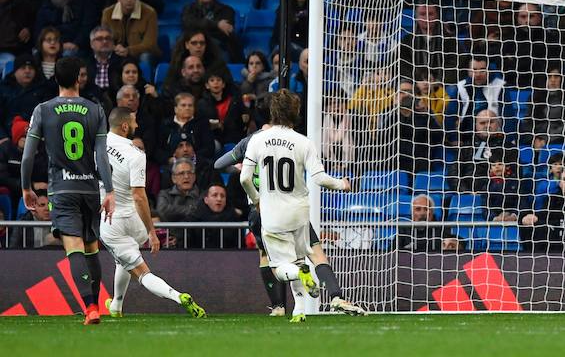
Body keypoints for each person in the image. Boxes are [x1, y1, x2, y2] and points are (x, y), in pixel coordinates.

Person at [215, 114, 366, 316]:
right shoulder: (295, 140)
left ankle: (278, 307)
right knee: (314, 253)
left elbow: (219, 165)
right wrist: (342, 184)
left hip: (263, 209)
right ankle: (333, 297)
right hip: (293, 207)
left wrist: (239, 166)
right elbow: (318, 176)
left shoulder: (252, 141)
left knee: (270, 259)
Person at [20, 56, 115, 325]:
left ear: (56, 79)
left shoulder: (43, 109)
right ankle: (95, 305)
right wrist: (109, 190)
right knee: (91, 246)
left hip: (61, 189)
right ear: (78, 79)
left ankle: (91, 307)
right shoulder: (95, 109)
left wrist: (26, 187)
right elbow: (101, 156)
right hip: (88, 189)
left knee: (73, 247)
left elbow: (28, 157)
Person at [100, 107, 206, 317]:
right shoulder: (135, 154)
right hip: (134, 220)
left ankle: (178, 296)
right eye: (134, 122)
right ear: (124, 126)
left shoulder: (96, 144)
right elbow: (139, 196)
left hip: (112, 219)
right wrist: (150, 230)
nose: (137, 126)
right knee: (124, 259)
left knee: (140, 272)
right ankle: (116, 307)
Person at [100, 0, 160, 64]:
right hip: (117, 53)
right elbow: (105, 39)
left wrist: (128, 50)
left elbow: (150, 44)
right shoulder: (107, 13)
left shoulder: (150, 13)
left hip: (139, 54)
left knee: (145, 56)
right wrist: (115, 48)